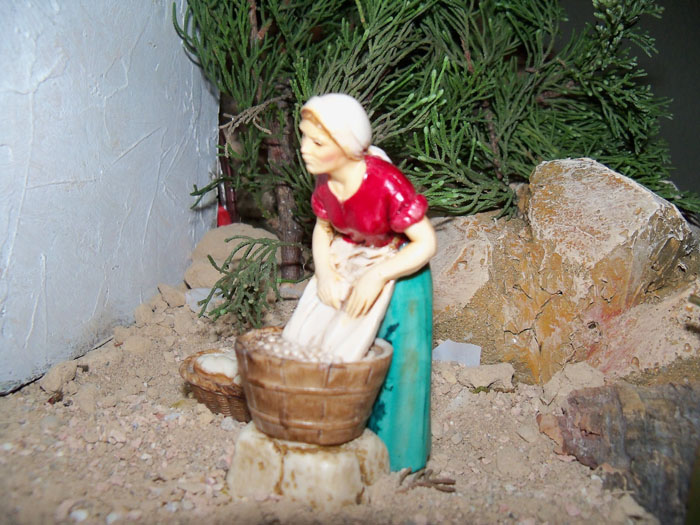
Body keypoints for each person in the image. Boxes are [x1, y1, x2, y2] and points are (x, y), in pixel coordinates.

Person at [283, 93, 437, 472]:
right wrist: (325, 272)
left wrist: (377, 275)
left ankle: (390, 453)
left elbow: (426, 242)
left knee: (385, 364)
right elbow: (323, 229)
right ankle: (322, 423)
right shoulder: (326, 182)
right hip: (349, 257)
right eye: (303, 137)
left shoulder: (385, 183)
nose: (304, 149)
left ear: (347, 145)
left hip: (395, 266)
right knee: (310, 332)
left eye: (317, 142)